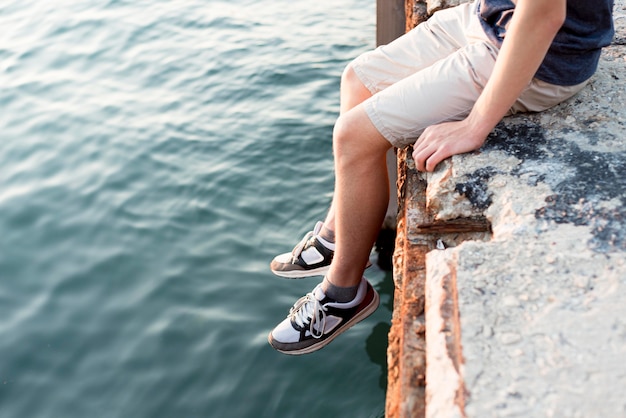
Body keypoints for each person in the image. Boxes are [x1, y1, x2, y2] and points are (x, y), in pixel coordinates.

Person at [267, 0, 615, 355]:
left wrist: (475, 124)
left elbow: (544, 14)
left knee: (352, 136)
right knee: (359, 80)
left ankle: (343, 295)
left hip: (538, 54)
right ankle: (338, 235)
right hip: (493, 18)